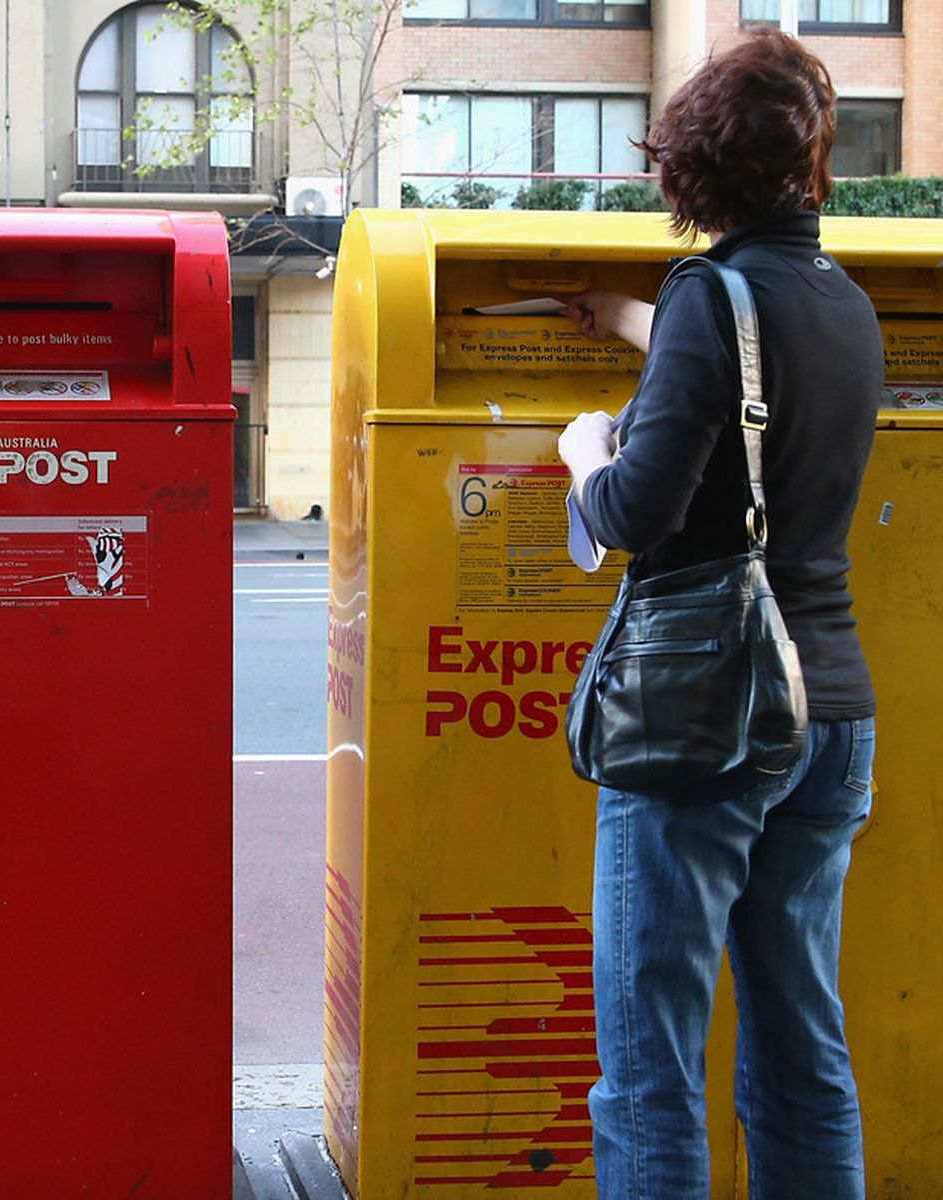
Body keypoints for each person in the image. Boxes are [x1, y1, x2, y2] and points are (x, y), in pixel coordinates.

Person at [556, 29, 881, 1200]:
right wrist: (631, 318)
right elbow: (754, 379)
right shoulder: (844, 302)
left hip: (710, 719)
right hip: (830, 717)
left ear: (695, 162)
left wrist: (584, 448)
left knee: (650, 1063)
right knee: (803, 1055)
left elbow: (637, 512)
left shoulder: (710, 292)